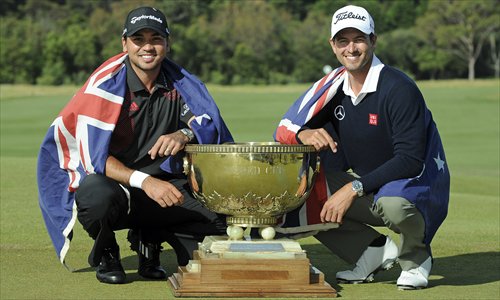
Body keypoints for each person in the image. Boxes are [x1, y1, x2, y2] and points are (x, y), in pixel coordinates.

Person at [37, 6, 233, 284]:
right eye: (138, 39)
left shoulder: (181, 83)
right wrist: (147, 182)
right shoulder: (103, 86)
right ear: (125, 43)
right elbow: (94, 159)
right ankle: (107, 251)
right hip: (118, 189)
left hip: (166, 188)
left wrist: (183, 134)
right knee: (94, 195)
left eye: (155, 38)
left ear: (167, 42)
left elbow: (208, 126)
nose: (147, 47)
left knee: (222, 217)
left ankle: (149, 237)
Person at [274, 5, 449, 290]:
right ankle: (370, 252)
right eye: (343, 41)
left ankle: (416, 259)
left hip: (413, 187)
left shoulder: (398, 88)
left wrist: (352, 188)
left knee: (392, 204)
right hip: (371, 189)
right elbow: (288, 127)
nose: (351, 48)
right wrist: (304, 133)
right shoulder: (332, 90)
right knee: (301, 189)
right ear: (333, 46)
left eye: (359, 39)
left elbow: (410, 160)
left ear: (373, 41)